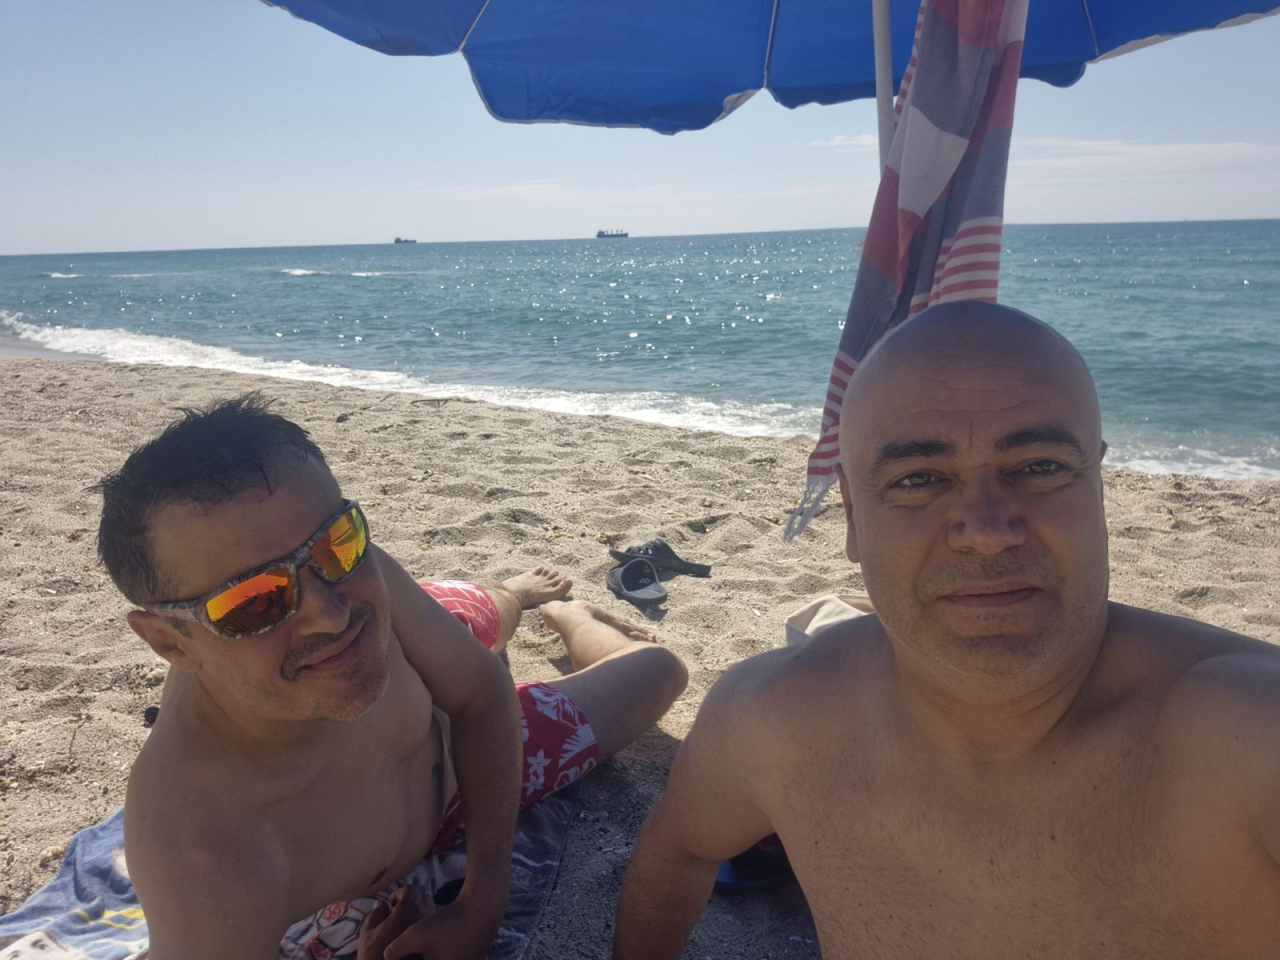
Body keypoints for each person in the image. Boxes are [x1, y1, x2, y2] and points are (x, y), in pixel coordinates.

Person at [614, 302, 1280, 958]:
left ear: (1098, 486)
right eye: (919, 479)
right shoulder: (777, 722)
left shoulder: (1242, 739)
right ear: (852, 515)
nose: (986, 532)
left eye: (1041, 466)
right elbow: (681, 848)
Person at [96, 394, 687, 960]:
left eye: (340, 542)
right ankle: (527, 604)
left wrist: (483, 898)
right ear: (171, 642)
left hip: (409, 650)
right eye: (254, 601)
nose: (329, 612)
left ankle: (534, 602)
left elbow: (480, 691)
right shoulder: (206, 855)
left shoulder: (350, 585)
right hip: (405, 686)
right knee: (655, 669)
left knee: (512, 622)